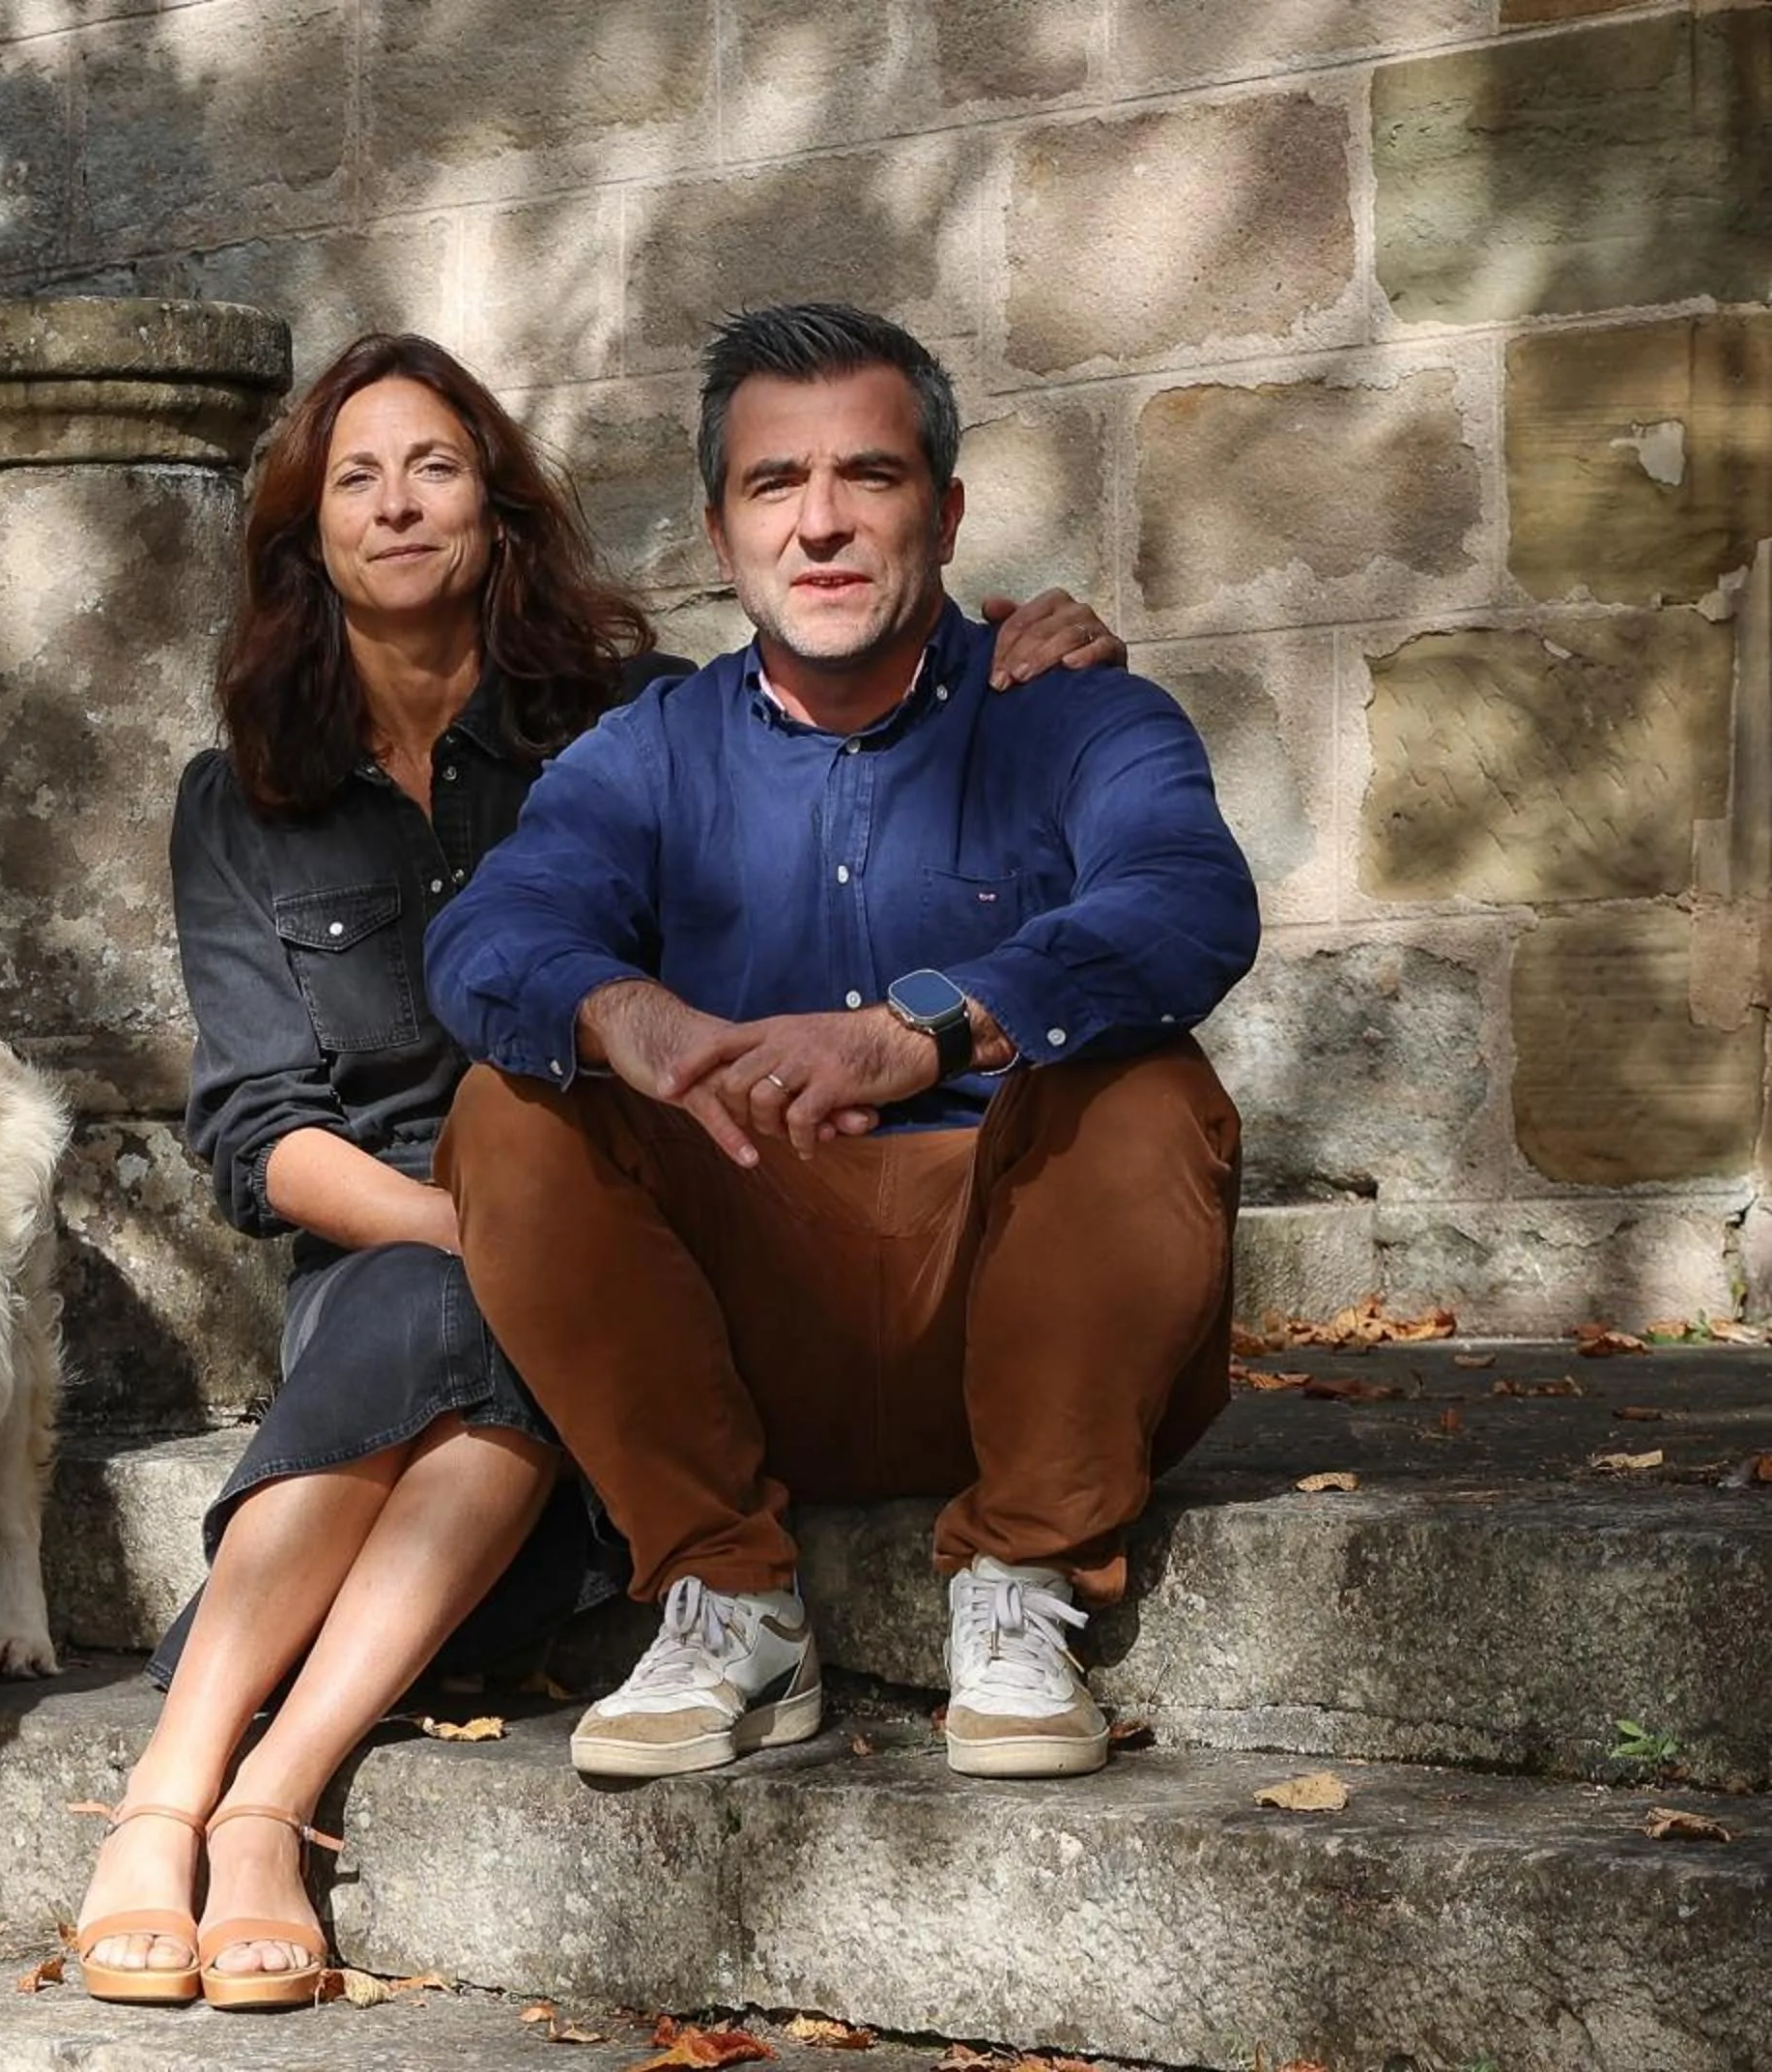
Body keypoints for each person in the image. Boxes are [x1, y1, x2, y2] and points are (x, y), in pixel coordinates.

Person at [71, 330, 1127, 2012]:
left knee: (516, 1284)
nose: (396, 504)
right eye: (356, 478)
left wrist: (1019, 650)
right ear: (306, 536)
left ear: (494, 507)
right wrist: (474, 1226)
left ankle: (252, 1802)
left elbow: (841, 696)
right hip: (395, 1235)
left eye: (434, 467)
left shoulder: (634, 722)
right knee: (437, 1304)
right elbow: (264, 1134)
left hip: (616, 1226)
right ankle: (180, 1805)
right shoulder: (242, 799)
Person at [426, 302, 1259, 1789]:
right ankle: (730, 1600)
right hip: (757, 1326)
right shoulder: (649, 750)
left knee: (1145, 1082)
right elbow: (494, 933)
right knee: (512, 1107)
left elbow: (1186, 899)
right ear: (719, 531)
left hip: (1028, 1307)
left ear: (945, 512)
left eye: (868, 476)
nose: (819, 523)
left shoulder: (1077, 715)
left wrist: (921, 1032)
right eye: (774, 484)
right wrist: (634, 1017)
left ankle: (1027, 1578)